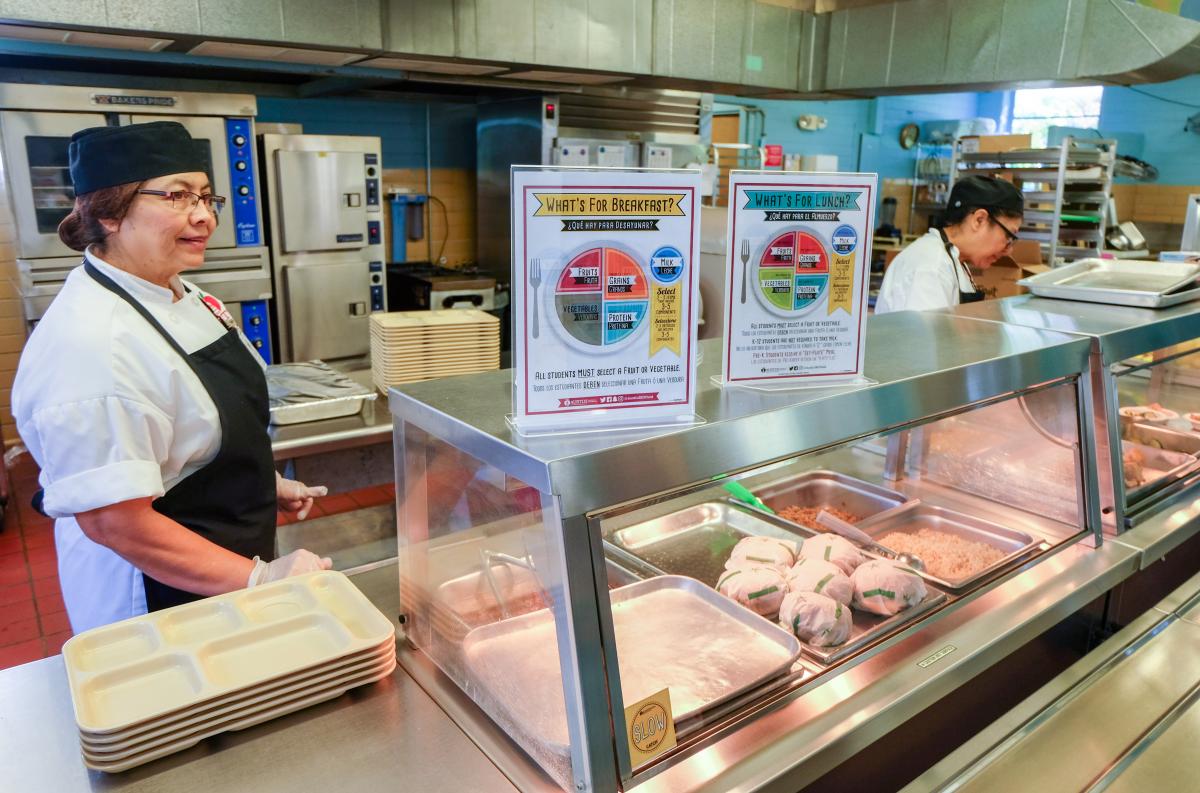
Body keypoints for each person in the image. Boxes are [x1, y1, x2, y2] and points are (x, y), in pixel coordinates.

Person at [12, 121, 332, 633]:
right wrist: (263, 580)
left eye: (206, 196)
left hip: (216, 565)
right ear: (109, 213)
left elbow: (183, 432)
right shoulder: (95, 345)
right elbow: (115, 522)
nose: (204, 216)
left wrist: (258, 484)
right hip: (156, 600)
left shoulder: (180, 292)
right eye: (178, 196)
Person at [875, 175, 1024, 314]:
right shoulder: (930, 268)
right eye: (1008, 236)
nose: (1008, 251)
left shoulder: (954, 260)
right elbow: (922, 340)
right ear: (979, 220)